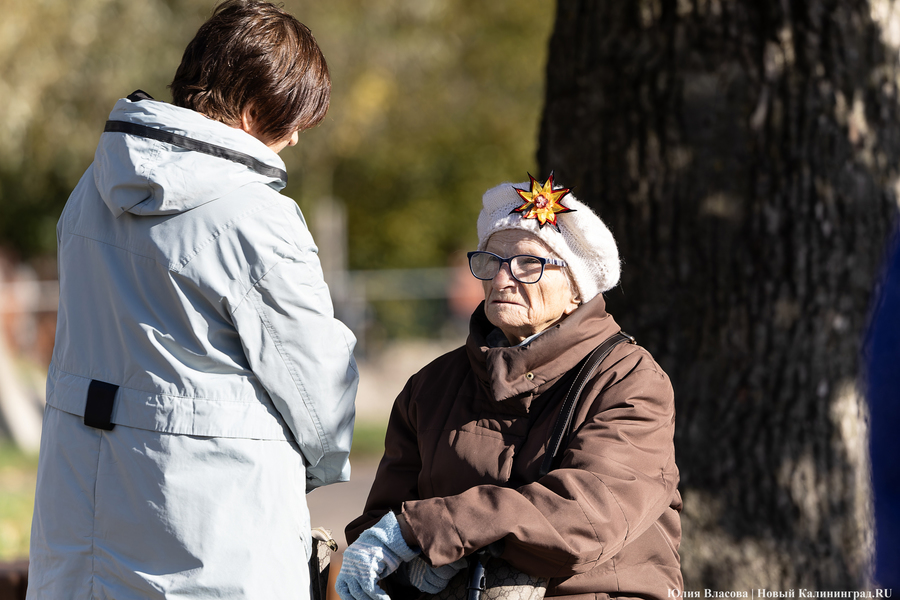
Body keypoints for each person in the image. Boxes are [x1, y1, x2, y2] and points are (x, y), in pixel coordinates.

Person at [26, 2, 358, 598]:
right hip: (211, 531)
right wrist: (323, 469)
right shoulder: (256, 216)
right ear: (256, 111)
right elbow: (318, 388)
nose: (298, 138)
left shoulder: (94, 188)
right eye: (295, 120)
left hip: (83, 513)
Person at [337, 174, 683, 600]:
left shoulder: (628, 380)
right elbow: (385, 524)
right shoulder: (430, 386)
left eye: (528, 264)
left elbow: (588, 516)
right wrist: (398, 570)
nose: (502, 280)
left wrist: (438, 530)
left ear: (576, 289)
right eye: (491, 261)